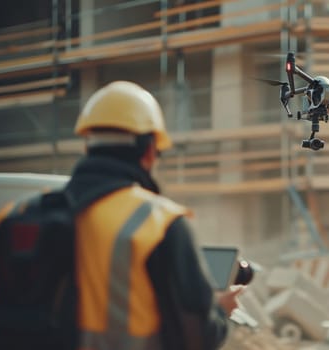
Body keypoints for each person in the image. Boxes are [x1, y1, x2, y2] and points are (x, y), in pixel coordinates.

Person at [67, 81, 240, 349]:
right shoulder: (159, 223)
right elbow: (199, 336)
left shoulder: (15, 216)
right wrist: (219, 312)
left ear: (87, 146)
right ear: (149, 151)